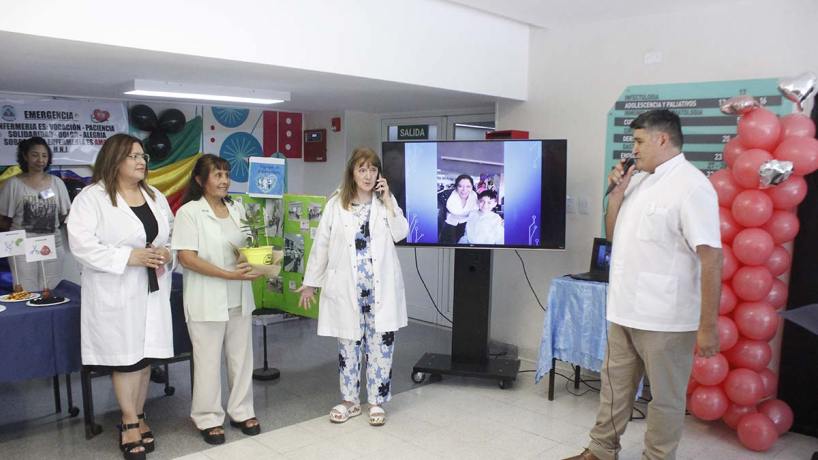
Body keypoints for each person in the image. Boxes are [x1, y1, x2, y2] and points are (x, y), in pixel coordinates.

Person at [565, 110, 722, 460]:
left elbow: (712, 259)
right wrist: (617, 194)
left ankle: (657, 456)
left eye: (638, 141)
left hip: (666, 316)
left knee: (665, 399)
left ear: (661, 139)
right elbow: (613, 235)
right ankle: (601, 450)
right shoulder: (640, 180)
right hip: (624, 309)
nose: (633, 150)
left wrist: (708, 326)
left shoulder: (693, 186)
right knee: (614, 388)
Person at [67, 134, 175, 460]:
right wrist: (130, 257)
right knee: (125, 359)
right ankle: (128, 422)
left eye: (143, 156)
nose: (142, 161)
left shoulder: (155, 195)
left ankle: (140, 414)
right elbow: (82, 245)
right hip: (115, 291)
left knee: (144, 357)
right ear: (114, 159)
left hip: (151, 289)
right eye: (133, 156)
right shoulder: (92, 198)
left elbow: (171, 233)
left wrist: (168, 253)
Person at [297, 147, 409, 426]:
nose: (368, 175)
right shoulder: (337, 204)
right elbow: (321, 245)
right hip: (348, 290)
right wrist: (311, 283)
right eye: (362, 169)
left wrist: (389, 201)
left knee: (381, 347)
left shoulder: (386, 202)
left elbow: (401, 233)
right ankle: (349, 401)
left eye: (373, 169)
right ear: (352, 173)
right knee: (349, 346)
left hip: (380, 292)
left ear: (379, 173)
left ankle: (376, 401)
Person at [171, 154, 262, 445]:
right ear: (200, 180)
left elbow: (245, 247)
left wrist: (257, 263)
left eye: (226, 174)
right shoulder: (189, 212)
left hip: (238, 295)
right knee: (208, 361)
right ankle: (208, 417)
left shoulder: (236, 208)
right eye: (217, 175)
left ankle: (241, 410)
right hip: (206, 298)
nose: (224, 180)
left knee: (241, 358)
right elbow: (186, 258)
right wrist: (227, 274)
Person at [0, 137, 71, 292]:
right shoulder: (13, 184)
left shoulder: (57, 183)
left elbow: (64, 216)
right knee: (26, 291)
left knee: (52, 291)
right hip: (22, 248)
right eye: (35, 155)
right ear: (25, 156)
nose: (40, 160)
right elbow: (4, 220)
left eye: (44, 156)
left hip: (52, 244)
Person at [440, 174, 477, 243]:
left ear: (472, 187)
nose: (464, 190)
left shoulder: (476, 197)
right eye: (460, 186)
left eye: (468, 186)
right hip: (449, 223)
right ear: (456, 187)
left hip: (467, 225)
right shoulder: (447, 196)